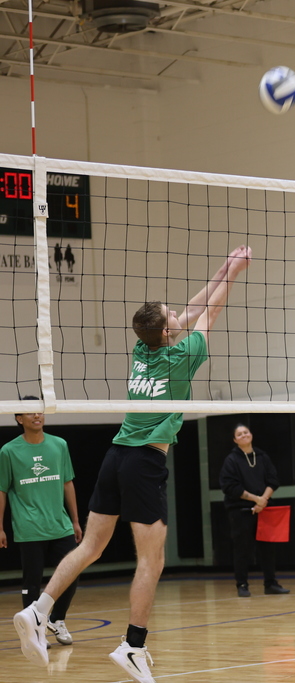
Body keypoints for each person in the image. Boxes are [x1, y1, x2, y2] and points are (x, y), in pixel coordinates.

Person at [13, 245, 253, 683]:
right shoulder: (184, 355)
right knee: (153, 560)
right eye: (171, 315)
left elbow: (194, 306)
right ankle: (133, 646)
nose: (178, 313)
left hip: (115, 455)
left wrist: (221, 266)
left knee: (90, 547)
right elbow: (211, 310)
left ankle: (38, 609)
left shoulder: (143, 351)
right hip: (145, 462)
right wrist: (235, 274)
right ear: (167, 333)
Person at [0, 398, 82, 647]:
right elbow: (2, 490)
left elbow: (68, 483)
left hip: (60, 525)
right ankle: (34, 632)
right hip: (29, 526)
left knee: (71, 573)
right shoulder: (8, 451)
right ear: (18, 418)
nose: (37, 415)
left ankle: (56, 619)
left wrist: (76, 521)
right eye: (30, 412)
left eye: (40, 411)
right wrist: (0, 527)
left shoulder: (59, 445)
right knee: (32, 581)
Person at [219, 423, 289, 598]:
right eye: (239, 434)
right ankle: (242, 585)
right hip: (241, 510)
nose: (244, 435)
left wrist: (263, 500)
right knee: (242, 549)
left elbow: (273, 480)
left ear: (251, 434)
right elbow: (230, 487)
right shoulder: (231, 460)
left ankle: (270, 584)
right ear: (235, 440)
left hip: (263, 509)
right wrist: (254, 499)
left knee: (268, 548)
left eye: (246, 432)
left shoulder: (262, 456)